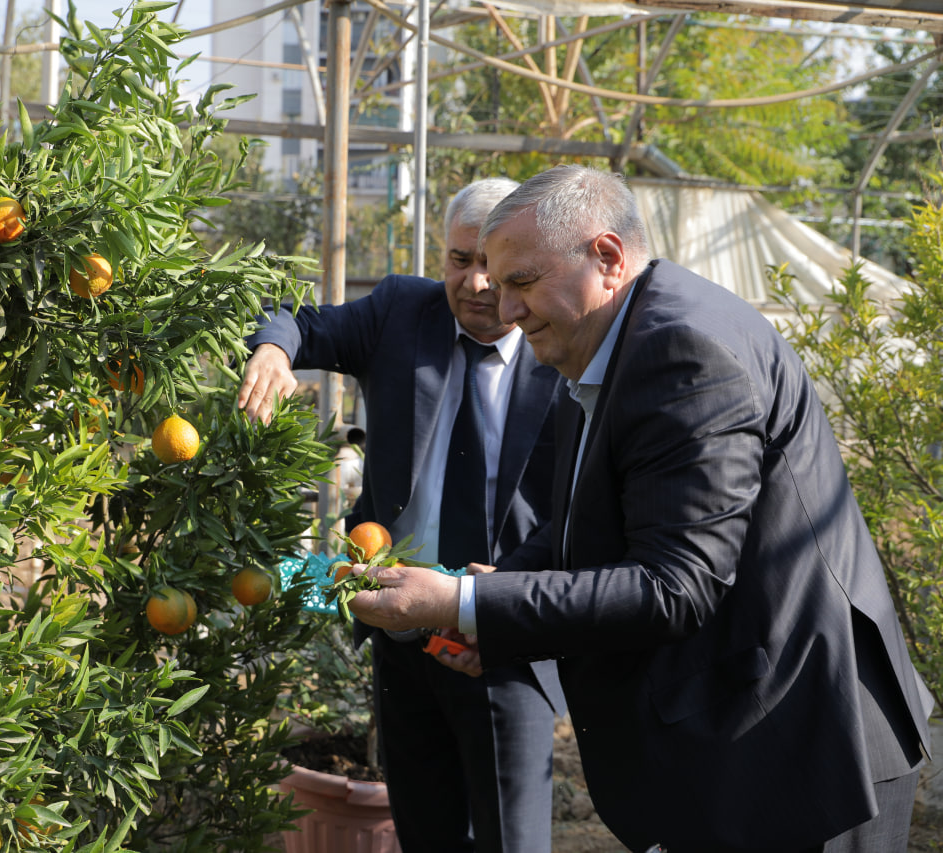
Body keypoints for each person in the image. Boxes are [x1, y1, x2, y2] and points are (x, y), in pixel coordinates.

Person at [348, 164, 934, 853]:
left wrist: (461, 603)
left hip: (804, 750)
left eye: (521, 282)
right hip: (741, 733)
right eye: (497, 284)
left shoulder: (683, 353)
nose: (503, 310)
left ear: (607, 257)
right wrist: (489, 598)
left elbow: (673, 585)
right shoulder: (598, 349)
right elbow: (584, 527)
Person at [237, 178, 566, 853]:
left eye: (492, 265)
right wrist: (273, 349)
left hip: (502, 639)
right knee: (425, 830)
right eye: (457, 260)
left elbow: (579, 510)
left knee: (513, 840)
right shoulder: (399, 313)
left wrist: (498, 606)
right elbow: (295, 320)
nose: (475, 283)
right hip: (403, 632)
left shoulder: (564, 347)